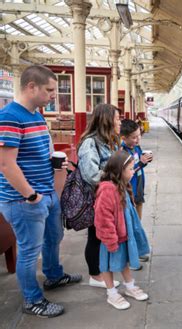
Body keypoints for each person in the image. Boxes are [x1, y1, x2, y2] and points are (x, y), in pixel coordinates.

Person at [0, 65, 82, 318]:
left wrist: (56, 164)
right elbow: (5, 164)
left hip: (45, 194)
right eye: (50, 90)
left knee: (53, 238)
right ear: (31, 87)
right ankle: (32, 300)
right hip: (24, 200)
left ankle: (54, 275)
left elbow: (35, 154)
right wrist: (31, 195)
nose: (54, 95)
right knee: (28, 251)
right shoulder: (10, 117)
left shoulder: (35, 115)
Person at [94, 150, 150, 310]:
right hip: (111, 237)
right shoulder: (107, 189)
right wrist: (110, 240)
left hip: (123, 234)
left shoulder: (120, 185)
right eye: (131, 169)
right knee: (106, 265)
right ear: (120, 170)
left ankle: (129, 286)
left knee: (124, 260)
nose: (134, 171)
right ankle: (111, 293)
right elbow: (103, 218)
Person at [77, 103, 121, 288]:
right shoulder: (90, 143)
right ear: (107, 120)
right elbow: (91, 174)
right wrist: (114, 175)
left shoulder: (108, 141)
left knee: (102, 235)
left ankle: (101, 273)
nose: (120, 122)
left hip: (108, 197)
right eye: (117, 119)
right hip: (97, 199)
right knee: (95, 237)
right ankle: (95, 276)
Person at [120, 119, 152, 265]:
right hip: (129, 192)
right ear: (123, 138)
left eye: (139, 135)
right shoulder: (122, 152)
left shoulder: (136, 148)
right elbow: (128, 173)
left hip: (138, 190)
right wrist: (141, 163)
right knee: (130, 224)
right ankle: (133, 255)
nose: (137, 139)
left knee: (137, 222)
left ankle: (137, 250)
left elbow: (138, 168)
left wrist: (143, 162)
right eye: (133, 137)